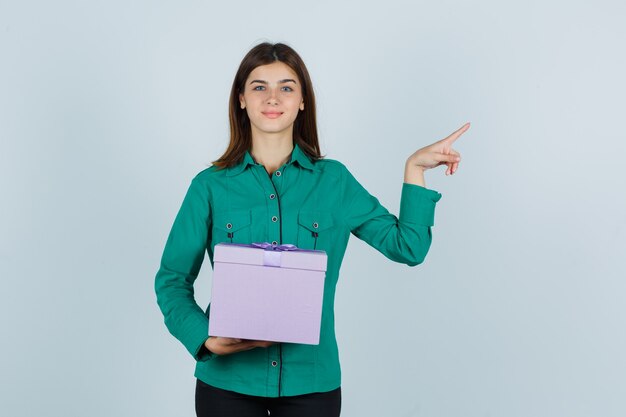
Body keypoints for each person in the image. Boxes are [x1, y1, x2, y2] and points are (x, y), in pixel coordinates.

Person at [154, 42, 469, 417]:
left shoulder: (334, 181)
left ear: (303, 100)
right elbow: (171, 280)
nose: (273, 97)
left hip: (313, 385)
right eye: (259, 86)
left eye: (287, 87)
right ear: (241, 98)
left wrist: (414, 169)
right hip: (227, 385)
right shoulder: (209, 186)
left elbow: (408, 247)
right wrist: (203, 338)